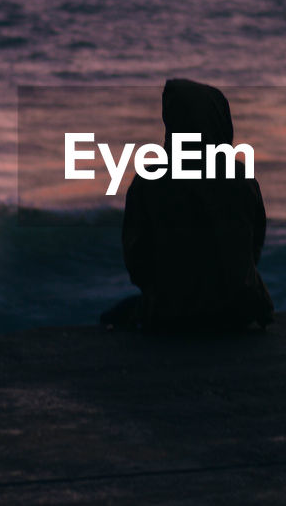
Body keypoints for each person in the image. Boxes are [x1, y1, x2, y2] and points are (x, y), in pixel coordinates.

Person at [101, 78, 274, 332]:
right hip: (239, 310)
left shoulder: (148, 181)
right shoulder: (241, 179)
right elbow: (253, 247)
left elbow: (137, 262)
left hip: (170, 315)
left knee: (111, 318)